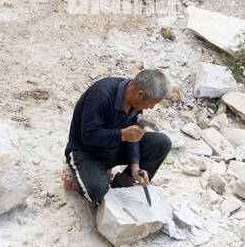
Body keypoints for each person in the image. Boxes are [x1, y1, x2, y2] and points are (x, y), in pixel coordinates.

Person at [64, 69, 172, 206]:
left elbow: (132, 137)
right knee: (96, 192)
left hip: (113, 148)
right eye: (153, 103)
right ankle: (74, 175)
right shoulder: (101, 95)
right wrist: (122, 134)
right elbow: (88, 136)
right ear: (140, 94)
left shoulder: (135, 102)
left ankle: (122, 182)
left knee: (162, 143)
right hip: (87, 152)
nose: (151, 107)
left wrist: (135, 168)